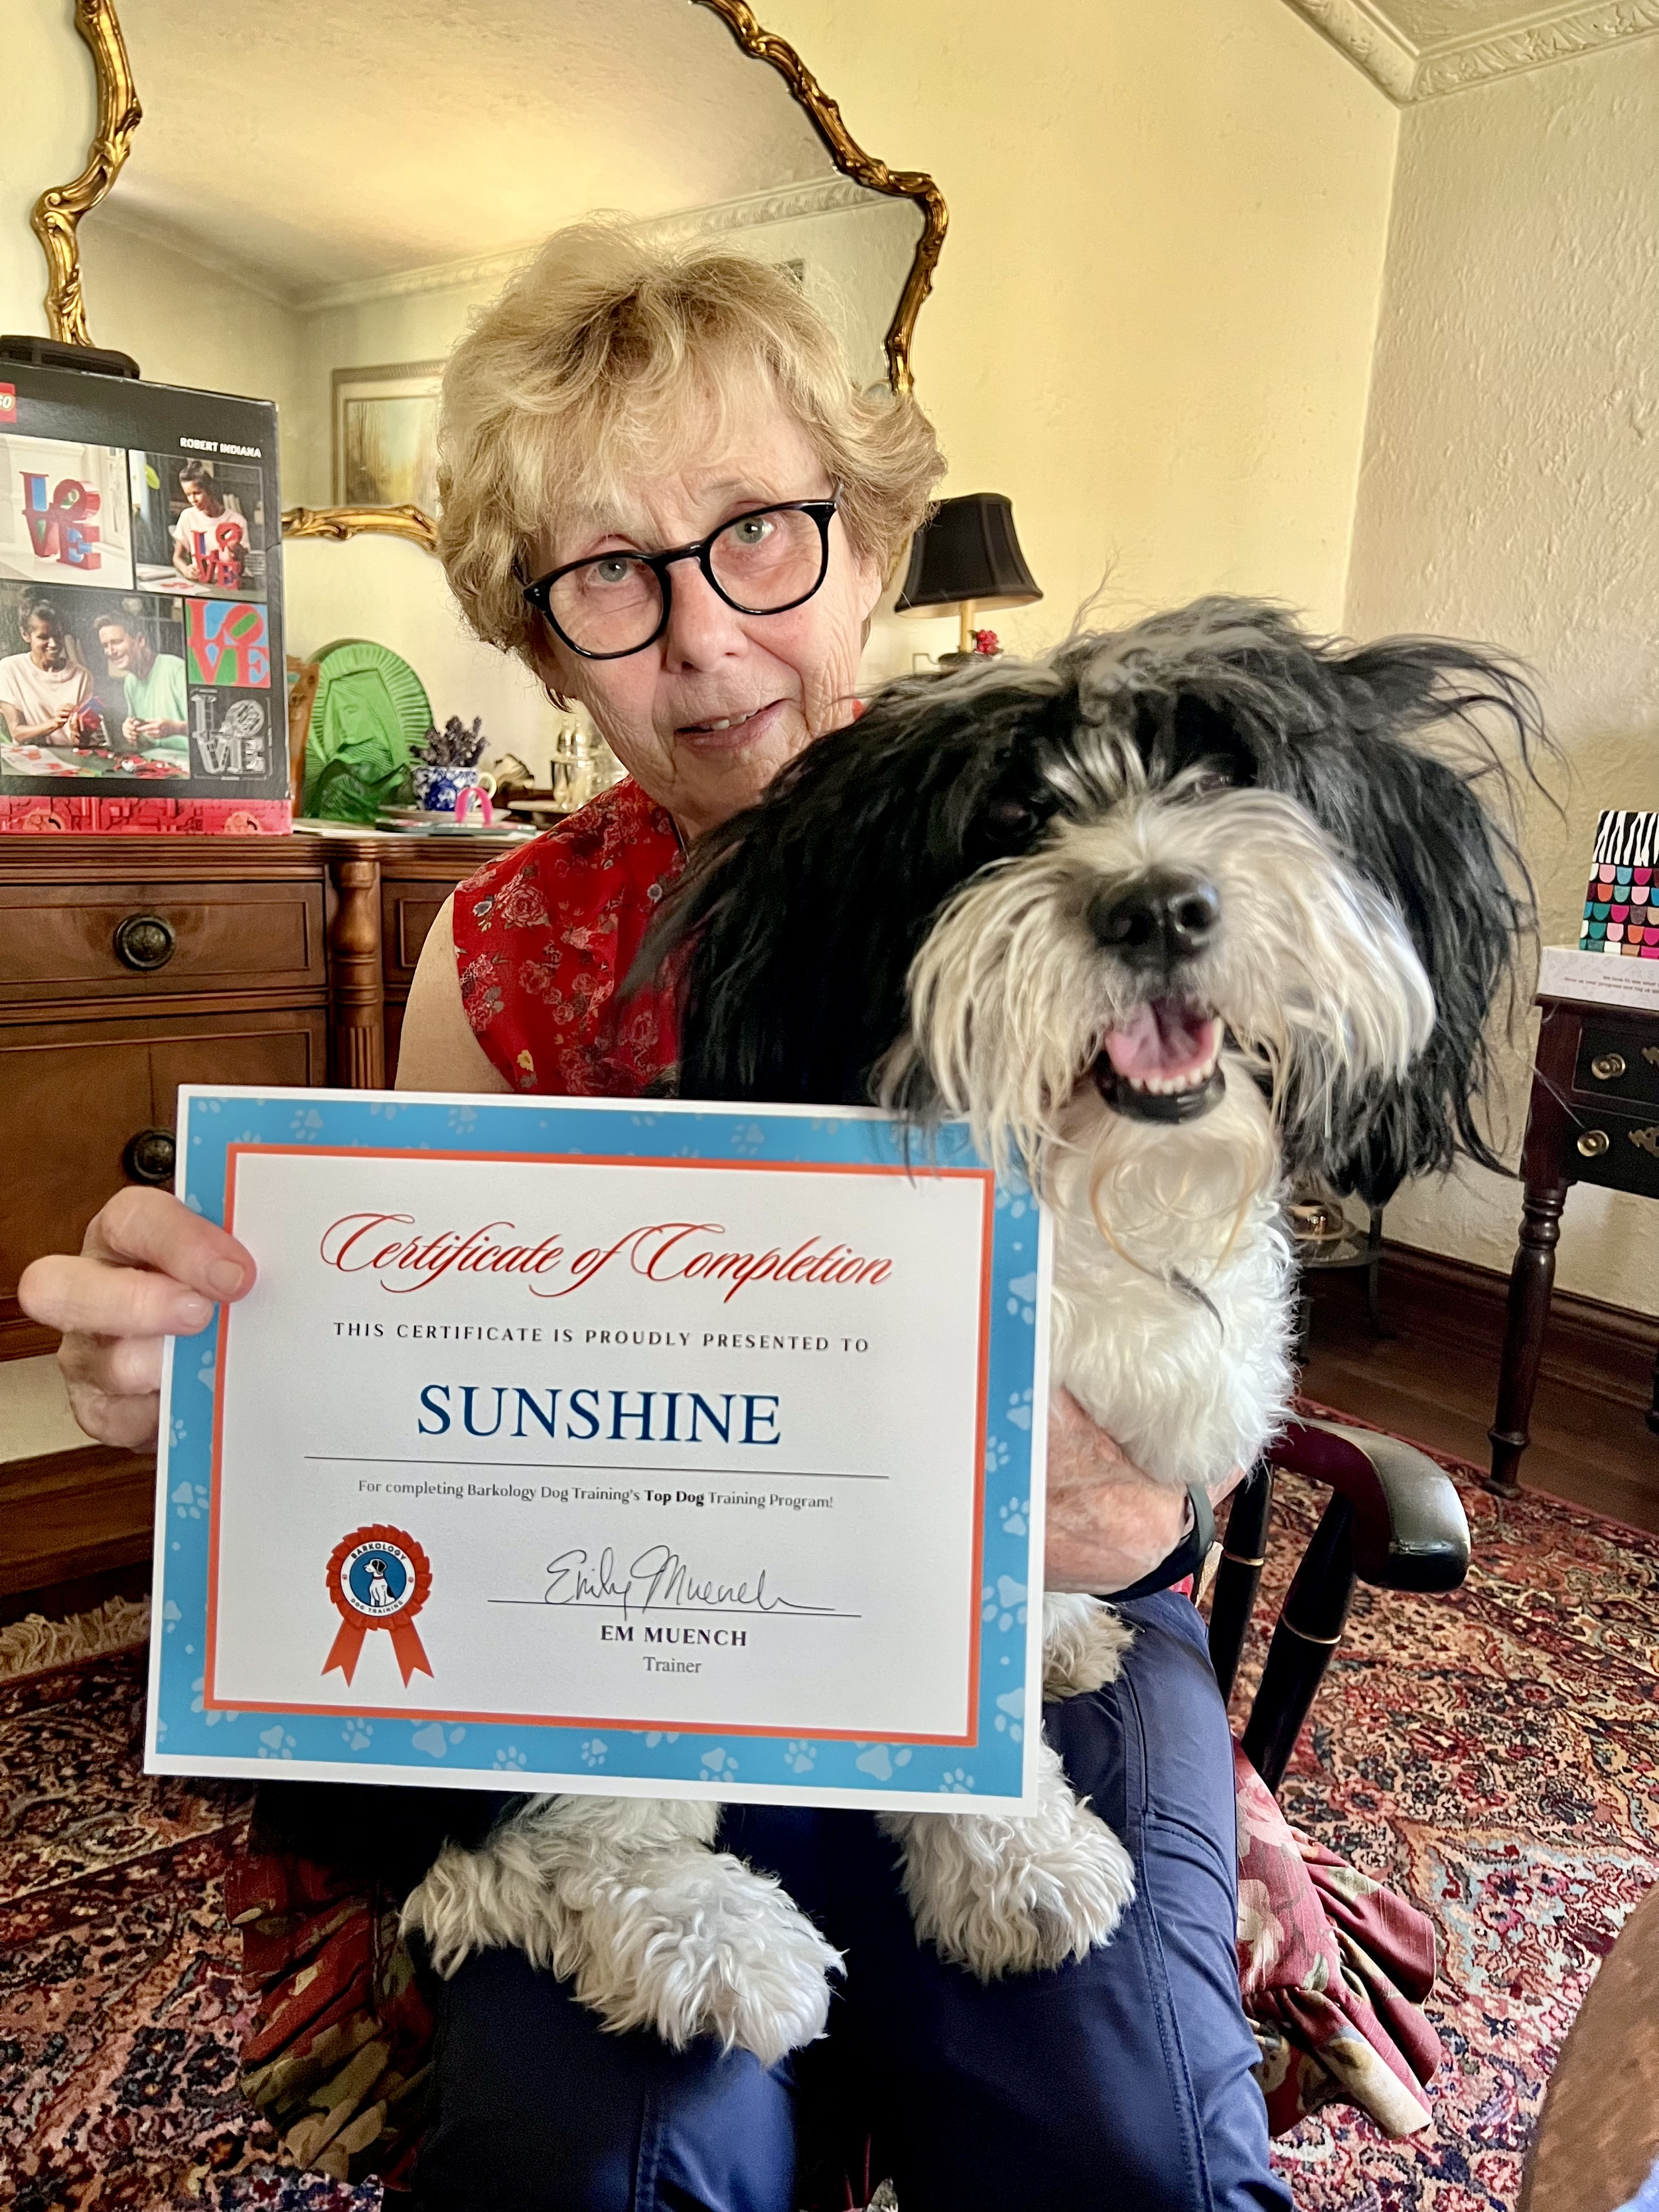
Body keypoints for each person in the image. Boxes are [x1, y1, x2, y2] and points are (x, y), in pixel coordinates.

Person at [19, 226, 1287, 2212]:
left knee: (1118, 2144)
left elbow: (1174, 1410)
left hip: (1031, 1625)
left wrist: (1117, 1511)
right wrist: (215, 1388)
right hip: (613, 1658)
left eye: (760, 534)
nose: (697, 637)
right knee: (600, 2158)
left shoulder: (1081, 859)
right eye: (606, 575)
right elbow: (409, 1419)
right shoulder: (502, 943)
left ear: (865, 543)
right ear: (539, 640)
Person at [0, 597, 93, 745]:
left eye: (57, 636)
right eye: (44, 637)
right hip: (30, 759)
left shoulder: (82, 676)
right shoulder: (9, 669)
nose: (53, 644)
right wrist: (54, 723)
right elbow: (17, 733)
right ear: (25, 635)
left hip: (72, 757)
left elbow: (82, 740)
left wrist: (80, 731)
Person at [96, 612, 189, 755]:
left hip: (185, 765)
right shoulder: (130, 682)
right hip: (153, 765)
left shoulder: (177, 669)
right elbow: (142, 741)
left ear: (140, 640)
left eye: (116, 642)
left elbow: (205, 729)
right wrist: (131, 731)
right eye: (105, 646)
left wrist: (176, 728)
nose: (110, 651)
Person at [171, 460, 251, 589]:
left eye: (197, 493)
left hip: (229, 586)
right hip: (201, 586)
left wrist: (236, 550)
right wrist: (186, 571)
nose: (193, 500)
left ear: (209, 490)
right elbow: (177, 557)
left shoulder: (237, 521)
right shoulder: (187, 517)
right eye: (188, 495)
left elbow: (242, 566)